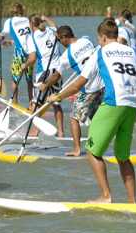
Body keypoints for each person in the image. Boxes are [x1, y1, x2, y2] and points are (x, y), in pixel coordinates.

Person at [47, 20, 136, 203]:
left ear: (103, 37)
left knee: (92, 151)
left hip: (113, 103)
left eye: (99, 39)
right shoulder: (130, 51)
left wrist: (58, 96)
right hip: (132, 104)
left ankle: (106, 196)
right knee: (123, 157)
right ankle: (132, 201)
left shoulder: (100, 52)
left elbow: (78, 85)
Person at [42, 25, 102, 156]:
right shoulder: (86, 40)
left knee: (74, 118)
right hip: (103, 84)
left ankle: (77, 149)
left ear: (64, 37)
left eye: (59, 40)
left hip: (88, 88)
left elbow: (56, 76)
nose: (60, 43)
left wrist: (45, 85)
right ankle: (97, 146)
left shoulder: (66, 56)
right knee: (94, 118)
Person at [24, 15, 65, 137]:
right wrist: (46, 18)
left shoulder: (31, 37)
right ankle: (61, 132)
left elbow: (32, 58)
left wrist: (24, 65)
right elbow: (55, 26)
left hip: (44, 72)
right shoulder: (51, 31)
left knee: (36, 103)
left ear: (31, 25)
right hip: (58, 71)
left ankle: (34, 131)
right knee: (56, 102)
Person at [0, 3, 34, 104]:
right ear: (22, 10)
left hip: (19, 53)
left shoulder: (9, 21)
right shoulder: (28, 20)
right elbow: (26, 37)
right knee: (29, 80)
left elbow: (2, 35)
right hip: (31, 53)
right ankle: (31, 103)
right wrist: (10, 42)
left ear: (12, 11)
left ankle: (15, 103)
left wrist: (0, 36)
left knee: (15, 80)